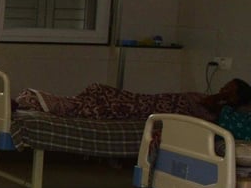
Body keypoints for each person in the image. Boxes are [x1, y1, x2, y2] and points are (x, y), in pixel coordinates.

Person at [14, 78, 251, 122]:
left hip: (142, 109)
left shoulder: (221, 113)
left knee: (87, 106)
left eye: (228, 89)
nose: (222, 89)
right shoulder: (210, 101)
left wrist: (223, 98)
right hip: (144, 100)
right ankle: (30, 100)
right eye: (223, 86)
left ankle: (31, 101)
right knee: (95, 95)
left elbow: (204, 107)